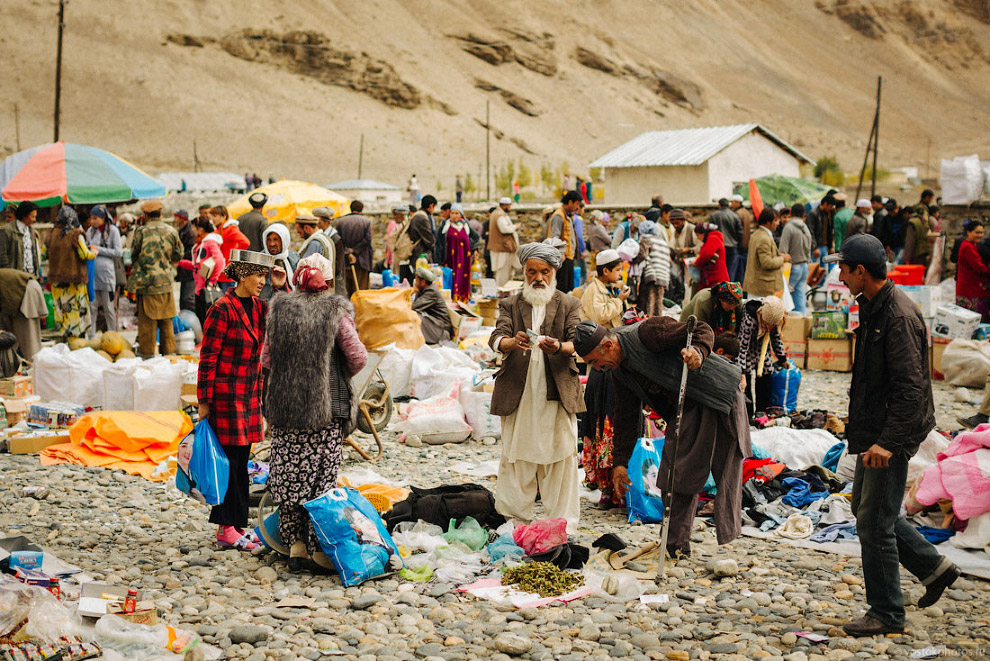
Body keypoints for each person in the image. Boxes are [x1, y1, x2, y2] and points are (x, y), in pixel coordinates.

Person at [824, 233, 959, 636]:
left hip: (890, 435)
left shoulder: (896, 316)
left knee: (876, 524)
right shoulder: (872, 305)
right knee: (866, 510)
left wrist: (887, 443)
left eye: (843, 269)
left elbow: (910, 389)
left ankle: (886, 613)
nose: (839, 275)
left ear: (861, 271)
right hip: (874, 431)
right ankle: (934, 567)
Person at [574, 313, 750, 557]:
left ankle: (701, 540)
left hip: (718, 393)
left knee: (725, 467)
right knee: (676, 472)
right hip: (688, 406)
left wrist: (697, 352)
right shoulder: (619, 372)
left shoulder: (648, 333)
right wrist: (620, 464)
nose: (596, 369)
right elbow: (625, 415)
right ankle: (674, 546)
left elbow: (700, 327)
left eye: (595, 361)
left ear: (607, 345)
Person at [263, 253, 366, 572]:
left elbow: (266, 360)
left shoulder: (279, 309)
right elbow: (358, 357)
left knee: (291, 477)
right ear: (327, 282)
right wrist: (336, 370)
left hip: (285, 407)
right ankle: (318, 548)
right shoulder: (335, 310)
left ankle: (295, 547)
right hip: (324, 409)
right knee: (321, 480)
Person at [488, 241, 585, 532]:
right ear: (524, 271)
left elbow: (577, 341)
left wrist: (560, 347)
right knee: (517, 457)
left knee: (561, 456)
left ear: (553, 272)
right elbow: (497, 336)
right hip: (521, 396)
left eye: (544, 271)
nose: (538, 278)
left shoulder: (569, 304)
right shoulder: (511, 303)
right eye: (532, 272)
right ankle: (515, 521)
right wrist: (509, 343)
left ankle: (562, 524)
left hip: (556, 395)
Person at [198, 249, 284, 552]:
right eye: (259, 275)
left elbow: (282, 314)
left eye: (264, 275)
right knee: (231, 464)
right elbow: (208, 357)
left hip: (249, 396)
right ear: (244, 275)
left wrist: (279, 283)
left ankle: (235, 526)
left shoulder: (258, 308)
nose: (262, 281)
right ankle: (226, 528)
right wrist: (203, 402)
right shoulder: (223, 308)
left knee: (241, 460)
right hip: (225, 396)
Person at [128, 201, 182, 355]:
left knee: (147, 324)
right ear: (160, 213)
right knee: (166, 321)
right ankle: (169, 355)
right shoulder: (171, 231)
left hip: (146, 285)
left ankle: (148, 356)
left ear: (145, 215)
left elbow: (133, 256)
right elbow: (178, 254)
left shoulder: (141, 232)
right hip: (165, 282)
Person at [734, 296, 789, 417]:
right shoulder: (749, 319)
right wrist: (741, 372)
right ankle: (746, 412)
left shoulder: (775, 317)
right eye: (766, 324)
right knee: (745, 377)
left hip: (763, 345)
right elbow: (742, 346)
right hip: (747, 346)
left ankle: (762, 409)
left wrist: (782, 358)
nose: (768, 327)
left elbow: (776, 338)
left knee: (766, 371)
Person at [46, 207, 95, 339]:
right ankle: (77, 341)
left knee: (62, 312)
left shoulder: (51, 234)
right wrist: (94, 252)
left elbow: (44, 254)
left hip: (57, 284)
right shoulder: (76, 234)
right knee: (76, 312)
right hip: (75, 283)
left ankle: (65, 340)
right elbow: (84, 254)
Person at [177, 218, 226, 324]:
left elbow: (220, 261)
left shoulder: (209, 242)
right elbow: (197, 266)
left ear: (200, 229)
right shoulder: (202, 243)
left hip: (205, 290)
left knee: (206, 320)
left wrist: (212, 281)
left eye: (193, 227)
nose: (192, 230)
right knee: (202, 318)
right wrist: (180, 263)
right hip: (200, 289)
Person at [86, 205, 123, 332]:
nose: (92, 222)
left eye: (95, 218)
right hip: (92, 275)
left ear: (103, 218)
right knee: (92, 307)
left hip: (106, 275)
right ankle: (91, 337)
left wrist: (98, 249)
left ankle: (113, 336)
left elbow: (118, 252)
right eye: (91, 218)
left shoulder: (113, 231)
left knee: (109, 308)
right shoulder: (90, 231)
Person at [0, 267, 46, 359]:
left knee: (30, 343)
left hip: (25, 290)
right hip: (16, 293)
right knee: (7, 343)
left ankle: (36, 369)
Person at [744, 209, 790, 297]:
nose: (778, 223)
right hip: (763, 287)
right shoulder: (764, 238)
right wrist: (783, 259)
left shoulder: (757, 234)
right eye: (775, 220)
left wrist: (777, 256)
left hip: (758, 285)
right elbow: (766, 263)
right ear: (768, 222)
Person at [580, 249, 628, 329]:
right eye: (618, 270)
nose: (621, 273)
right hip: (604, 337)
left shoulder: (612, 287)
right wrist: (619, 300)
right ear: (605, 271)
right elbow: (599, 316)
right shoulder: (593, 290)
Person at [954, 220, 989, 322]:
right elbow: (979, 267)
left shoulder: (972, 246)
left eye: (981, 233)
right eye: (977, 232)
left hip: (973, 289)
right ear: (968, 232)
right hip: (970, 291)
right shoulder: (968, 247)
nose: (980, 235)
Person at [336, 200, 373, 295]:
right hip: (362, 261)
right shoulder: (366, 221)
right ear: (361, 209)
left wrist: (348, 252)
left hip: (345, 260)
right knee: (360, 291)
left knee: (347, 290)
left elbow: (339, 241)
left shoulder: (341, 222)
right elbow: (368, 240)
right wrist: (355, 250)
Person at [548, 191, 582, 292]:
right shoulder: (559, 216)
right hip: (562, 258)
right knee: (562, 288)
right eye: (577, 204)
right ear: (570, 202)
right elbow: (554, 237)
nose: (577, 207)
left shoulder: (567, 216)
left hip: (568, 257)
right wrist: (560, 253)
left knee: (569, 288)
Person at [443, 204, 477, 302]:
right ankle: (452, 298)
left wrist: (475, 249)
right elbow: (439, 243)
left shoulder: (465, 226)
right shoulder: (446, 225)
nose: (454, 215)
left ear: (461, 215)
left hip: (464, 258)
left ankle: (463, 299)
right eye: (452, 213)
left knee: (463, 277)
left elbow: (476, 238)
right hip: (451, 258)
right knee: (451, 278)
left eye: (456, 213)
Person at [412, 266, 454, 344]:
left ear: (423, 282)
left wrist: (413, 291)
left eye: (417, 281)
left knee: (414, 316)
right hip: (435, 326)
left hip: (441, 332)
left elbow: (413, 307)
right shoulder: (424, 290)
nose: (415, 283)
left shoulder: (431, 291)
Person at [213, 206, 250, 292]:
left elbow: (245, 242)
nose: (212, 219)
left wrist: (232, 257)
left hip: (227, 274)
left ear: (224, 217)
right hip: (217, 273)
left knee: (227, 302)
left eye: (215, 216)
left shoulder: (230, 229)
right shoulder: (217, 230)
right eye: (212, 216)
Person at [638, 221, 670, 317]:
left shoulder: (645, 239)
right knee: (658, 303)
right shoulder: (663, 242)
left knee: (648, 303)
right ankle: (657, 325)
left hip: (651, 274)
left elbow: (642, 255)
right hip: (663, 275)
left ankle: (647, 326)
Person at [313, 206, 347, 297]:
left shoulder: (336, 239)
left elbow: (337, 268)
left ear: (327, 222)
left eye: (318, 222)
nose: (316, 225)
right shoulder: (320, 237)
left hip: (334, 285)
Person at [0, 201, 42, 277]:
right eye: (33, 217)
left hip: (31, 276)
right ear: (25, 216)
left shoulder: (32, 231)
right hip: (15, 278)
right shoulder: (7, 230)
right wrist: (8, 276)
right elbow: (2, 256)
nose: (35, 220)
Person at [260, 223, 299, 300]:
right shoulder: (260, 260)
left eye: (275, 239)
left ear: (284, 241)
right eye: (269, 240)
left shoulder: (294, 258)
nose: (271, 244)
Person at [488, 197, 520, 287]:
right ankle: (502, 298)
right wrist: (515, 226)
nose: (510, 208)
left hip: (503, 249)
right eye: (509, 206)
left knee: (505, 275)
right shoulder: (499, 215)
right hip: (502, 250)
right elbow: (505, 229)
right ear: (505, 206)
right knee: (503, 277)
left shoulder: (497, 213)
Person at [709, 198, 743, 279]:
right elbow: (740, 233)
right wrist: (739, 245)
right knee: (731, 272)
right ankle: (729, 289)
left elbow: (711, 232)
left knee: (720, 272)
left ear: (719, 205)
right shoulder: (734, 216)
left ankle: (721, 290)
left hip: (718, 247)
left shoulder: (714, 216)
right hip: (732, 246)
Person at [407, 196, 438, 280]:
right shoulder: (421, 218)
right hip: (420, 255)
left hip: (417, 254)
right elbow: (430, 241)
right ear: (431, 205)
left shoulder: (417, 215)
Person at [172, 209, 196, 313]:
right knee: (183, 300)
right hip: (184, 271)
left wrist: (178, 259)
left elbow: (190, 253)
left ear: (183, 219)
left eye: (176, 217)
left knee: (187, 299)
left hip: (189, 271)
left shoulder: (189, 232)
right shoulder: (182, 230)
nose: (174, 220)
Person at [693, 221, 729, 290]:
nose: (698, 238)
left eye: (698, 235)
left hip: (715, 277)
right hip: (712, 276)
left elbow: (706, 254)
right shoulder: (712, 238)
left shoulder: (712, 238)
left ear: (703, 233)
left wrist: (696, 262)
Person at [728, 195, 752, 281]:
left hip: (740, 247)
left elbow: (738, 232)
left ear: (738, 203)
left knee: (738, 274)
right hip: (746, 246)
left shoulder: (737, 214)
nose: (731, 205)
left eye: (733, 202)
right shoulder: (746, 212)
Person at [807, 195, 836, 265]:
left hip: (824, 247)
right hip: (816, 248)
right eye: (831, 206)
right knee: (816, 271)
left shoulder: (827, 214)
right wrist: (814, 248)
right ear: (826, 204)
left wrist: (830, 246)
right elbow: (810, 232)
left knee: (824, 272)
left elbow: (829, 231)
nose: (831, 208)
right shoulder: (813, 213)